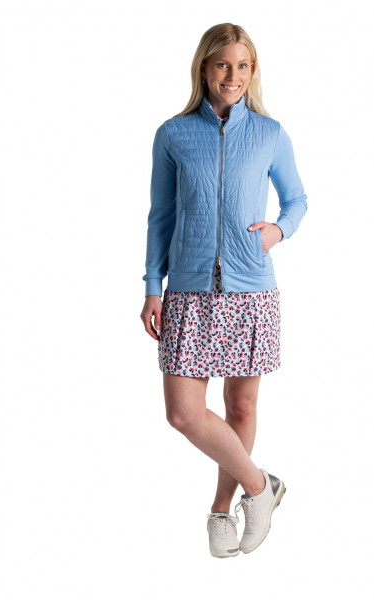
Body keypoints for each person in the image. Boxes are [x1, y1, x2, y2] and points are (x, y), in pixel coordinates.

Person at [140, 23, 307, 558]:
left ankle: (221, 510)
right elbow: (161, 216)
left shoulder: (269, 133)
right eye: (222, 65)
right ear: (204, 68)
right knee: (183, 413)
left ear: (252, 71)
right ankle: (261, 487)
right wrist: (153, 286)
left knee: (241, 404)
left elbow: (297, 200)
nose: (232, 76)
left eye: (242, 66)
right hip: (188, 290)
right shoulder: (173, 134)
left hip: (250, 288)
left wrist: (279, 230)